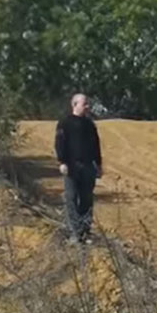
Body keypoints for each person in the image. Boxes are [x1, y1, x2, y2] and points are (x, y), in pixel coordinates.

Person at [54, 93, 104, 244]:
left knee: (87, 199)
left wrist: (99, 164)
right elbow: (59, 143)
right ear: (74, 105)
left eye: (88, 104)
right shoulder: (65, 123)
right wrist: (62, 162)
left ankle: (85, 232)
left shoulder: (90, 125)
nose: (87, 107)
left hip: (88, 166)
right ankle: (74, 232)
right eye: (84, 104)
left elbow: (96, 145)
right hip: (71, 167)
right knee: (71, 198)